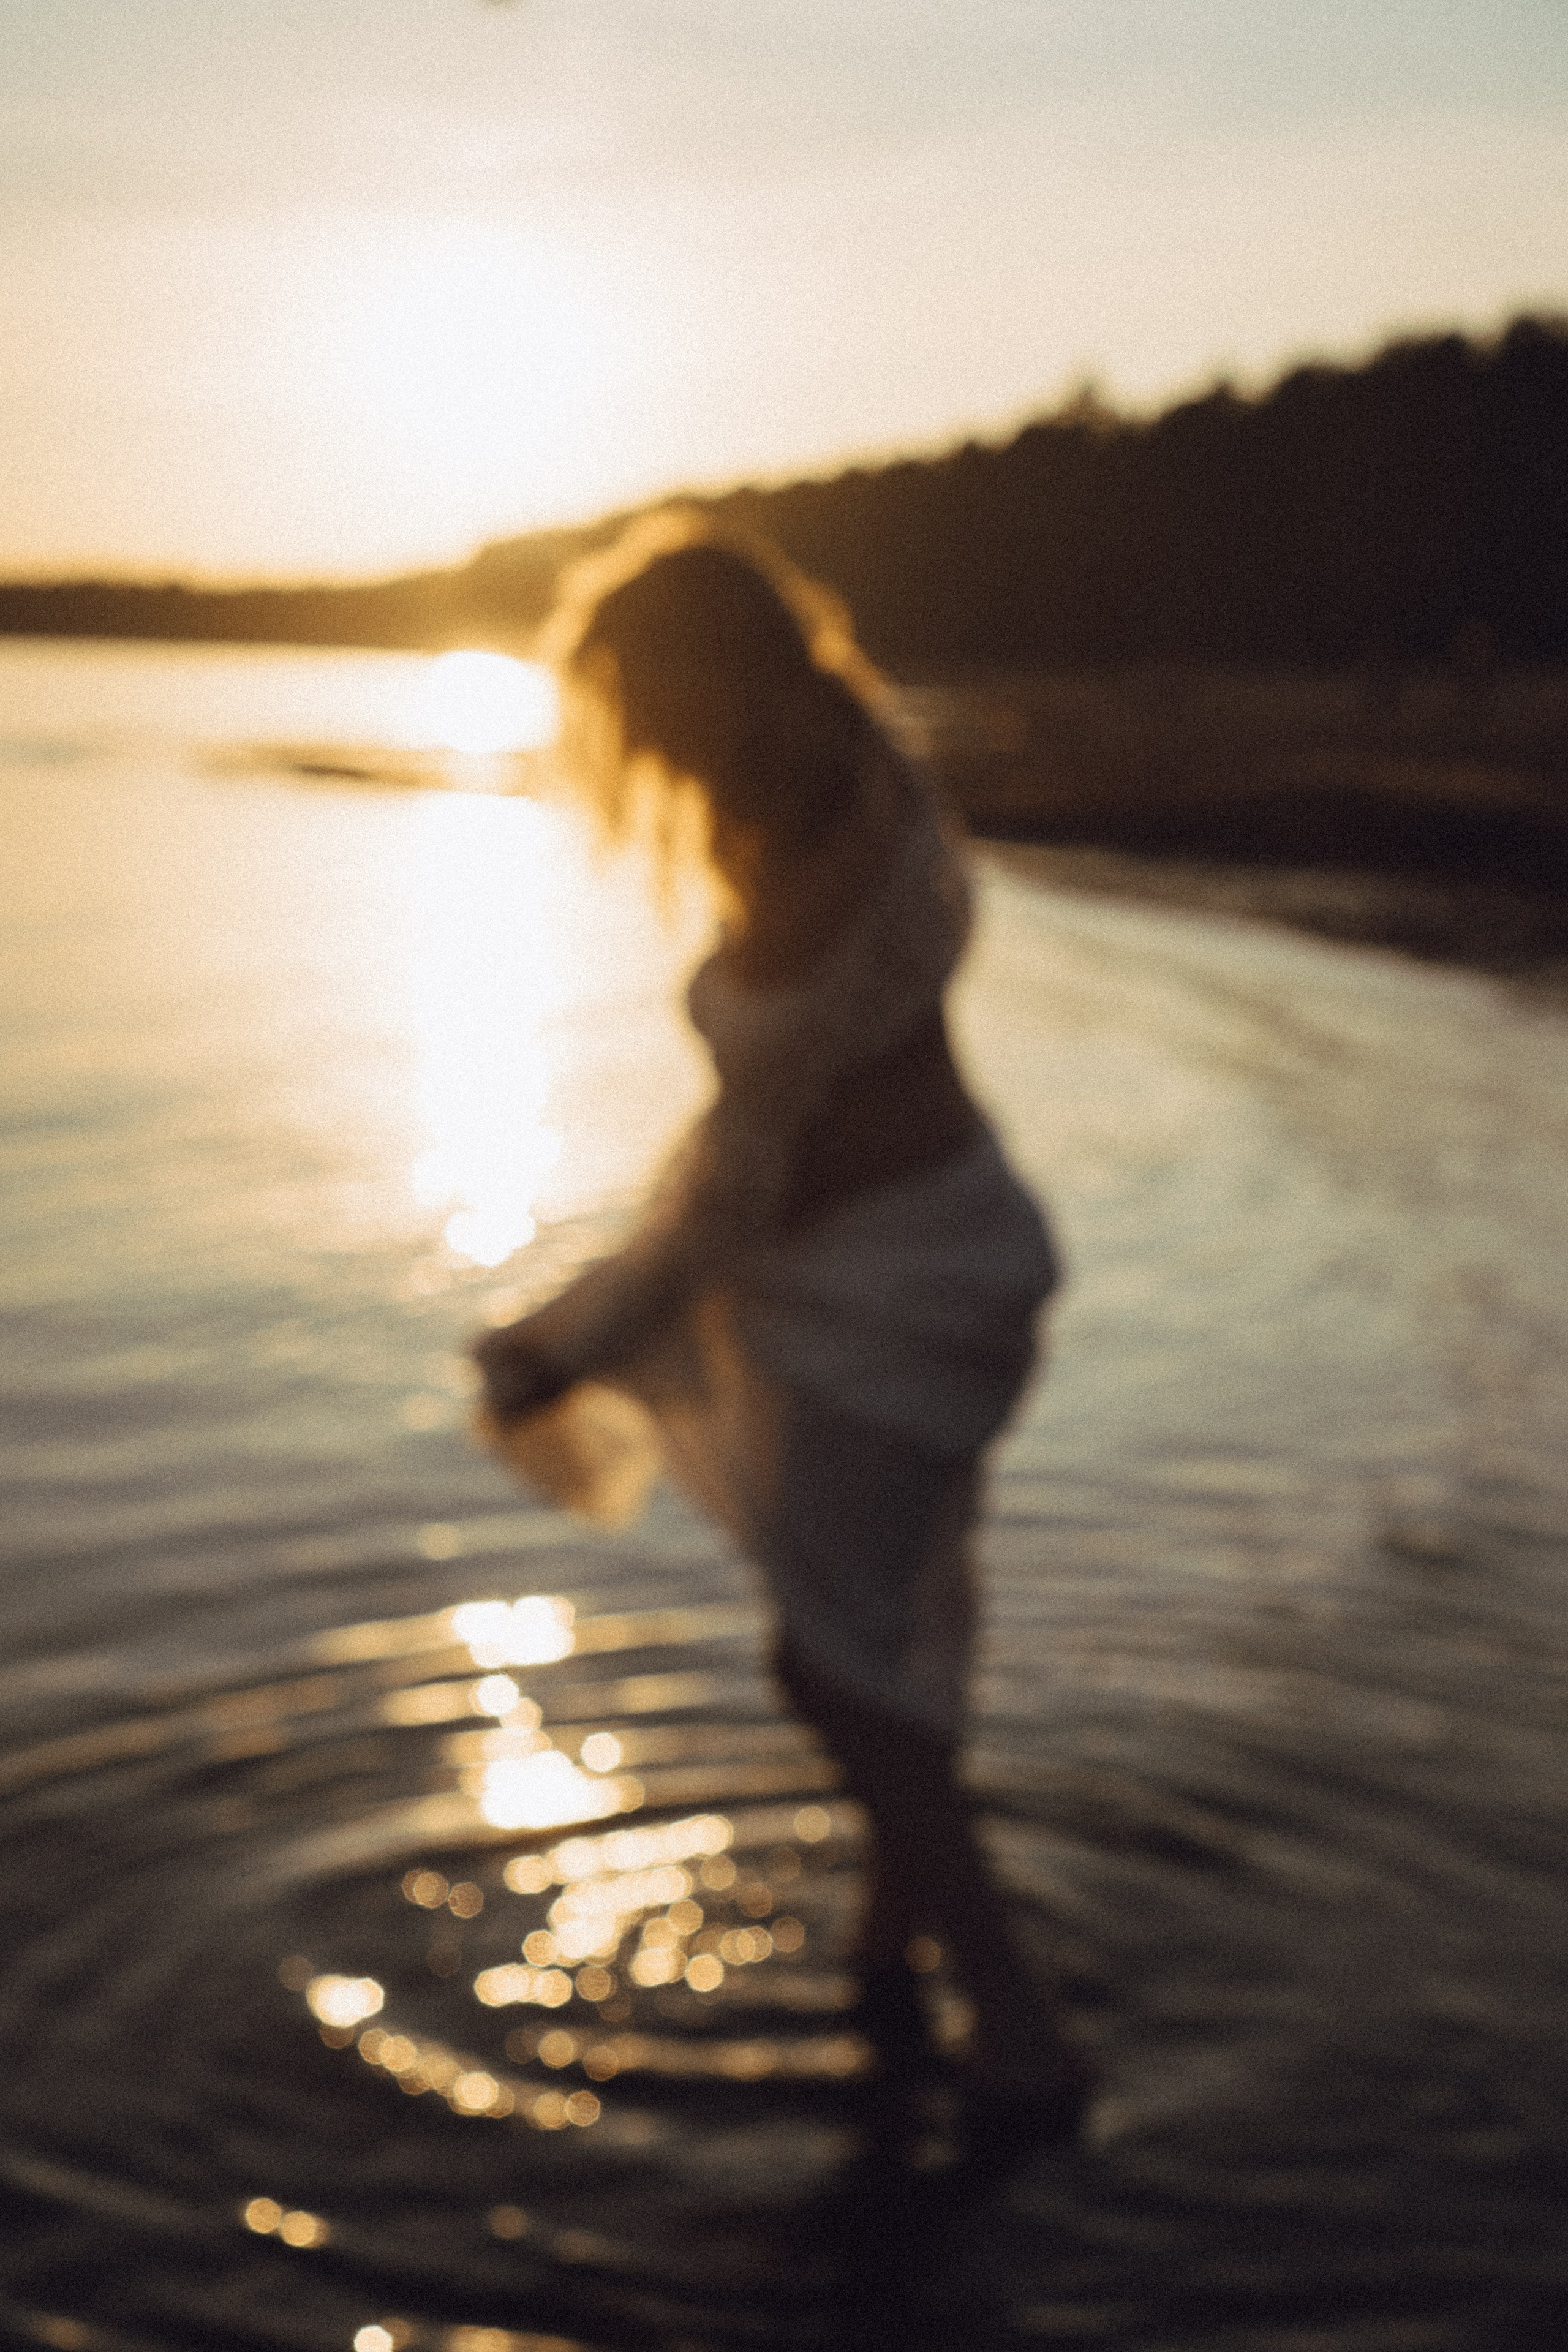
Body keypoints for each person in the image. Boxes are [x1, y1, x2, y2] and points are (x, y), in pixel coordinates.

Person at [472, 510, 1091, 2144]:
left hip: (888, 1299)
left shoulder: (818, 849)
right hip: (958, 1249)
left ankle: (1017, 2022)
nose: (636, 738)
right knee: (900, 1632)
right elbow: (760, 1149)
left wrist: (569, 1337)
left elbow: (744, 1182)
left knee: (835, 1673)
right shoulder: (866, 771)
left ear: (701, 678)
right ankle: (891, 1956)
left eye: (638, 695)